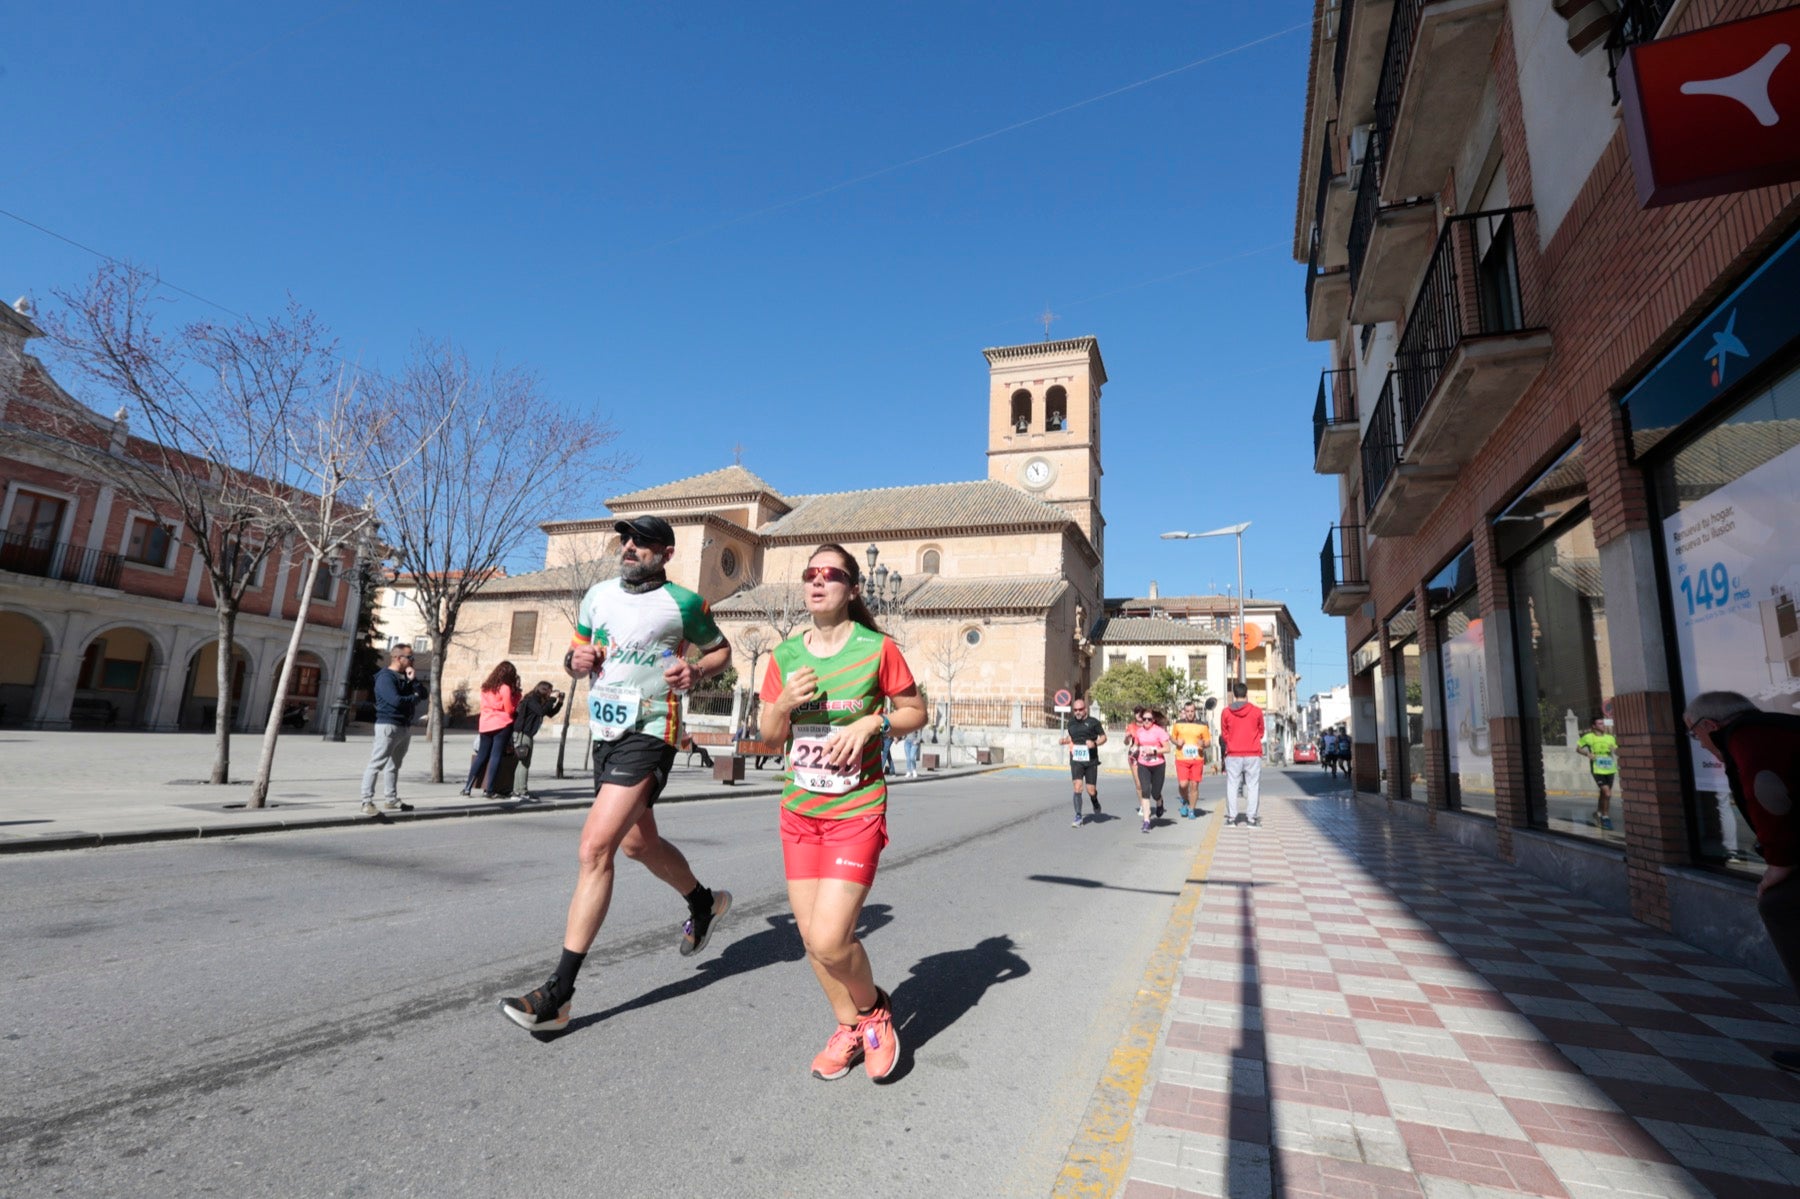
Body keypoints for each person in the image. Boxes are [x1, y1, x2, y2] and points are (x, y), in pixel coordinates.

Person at [499, 514, 734, 1033]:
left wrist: (697, 670)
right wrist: (574, 660)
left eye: (644, 542)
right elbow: (575, 652)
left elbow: (720, 650)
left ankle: (558, 995)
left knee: (595, 849)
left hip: (652, 730)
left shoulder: (686, 604)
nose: (630, 547)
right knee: (635, 844)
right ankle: (703, 902)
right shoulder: (598, 595)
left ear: (666, 553)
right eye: (627, 539)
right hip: (606, 734)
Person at [760, 544, 927, 1082]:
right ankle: (849, 1026)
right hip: (799, 812)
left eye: (831, 574)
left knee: (832, 938)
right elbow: (768, 740)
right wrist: (783, 705)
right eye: (810, 574)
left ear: (852, 588)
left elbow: (915, 712)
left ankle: (875, 1010)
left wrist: (871, 724)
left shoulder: (877, 649)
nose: (817, 581)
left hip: (856, 810)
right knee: (811, 940)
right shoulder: (785, 657)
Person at [1684, 691, 1800, 1072]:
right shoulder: (1774, 728)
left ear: (1710, 726)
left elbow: (1767, 792)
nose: (1699, 743)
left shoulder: (1748, 739)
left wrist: (1779, 864)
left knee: (1779, 904)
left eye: (1694, 734)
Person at [360, 643, 426, 815]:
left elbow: (424, 694)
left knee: (394, 765)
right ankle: (366, 801)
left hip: (404, 726)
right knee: (377, 763)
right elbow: (395, 701)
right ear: (398, 658)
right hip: (388, 725)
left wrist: (414, 681)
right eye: (410, 657)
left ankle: (391, 799)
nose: (413, 660)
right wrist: (415, 697)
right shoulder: (385, 677)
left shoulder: (406, 676)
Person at [462, 661, 521, 798]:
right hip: (501, 724)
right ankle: (490, 789)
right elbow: (509, 709)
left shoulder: (486, 687)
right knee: (495, 756)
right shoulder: (505, 688)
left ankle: (467, 787)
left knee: (481, 756)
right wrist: (517, 696)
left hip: (485, 724)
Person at [1220, 681, 1266, 827]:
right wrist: (1252, 741)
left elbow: (1224, 733)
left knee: (1232, 785)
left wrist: (1232, 742)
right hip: (1253, 753)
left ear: (1234, 695)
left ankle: (1232, 818)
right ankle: (1251, 819)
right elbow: (1261, 731)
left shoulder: (1226, 712)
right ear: (1246, 694)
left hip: (1233, 753)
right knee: (1253, 786)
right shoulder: (1257, 711)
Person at [511, 681, 564, 803]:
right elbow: (541, 711)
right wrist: (551, 699)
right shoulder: (532, 700)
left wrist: (559, 703)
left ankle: (518, 790)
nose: (551, 694)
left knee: (523, 763)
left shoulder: (535, 700)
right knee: (524, 763)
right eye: (550, 691)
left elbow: (548, 713)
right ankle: (520, 791)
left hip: (526, 734)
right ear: (545, 691)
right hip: (523, 734)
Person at [1061, 697, 1107, 826]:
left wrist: (1095, 743)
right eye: (1075, 710)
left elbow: (1104, 737)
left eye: (1080, 709)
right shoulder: (1070, 723)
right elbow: (1071, 736)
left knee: (1091, 790)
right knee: (1077, 787)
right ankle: (1078, 816)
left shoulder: (1094, 723)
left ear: (1085, 709)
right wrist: (1065, 740)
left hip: (1091, 760)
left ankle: (1095, 801)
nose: (1078, 712)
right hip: (1076, 759)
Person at [1128, 708, 1171, 832]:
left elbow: (1167, 748)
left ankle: (1159, 800)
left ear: (1153, 720)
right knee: (1145, 790)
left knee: (1155, 792)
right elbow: (1136, 744)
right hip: (1143, 764)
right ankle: (1146, 821)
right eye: (1144, 719)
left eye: (1149, 719)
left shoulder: (1159, 731)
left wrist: (1155, 751)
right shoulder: (1139, 732)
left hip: (1158, 764)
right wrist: (1134, 749)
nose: (1146, 721)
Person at [1575, 715, 1619, 832]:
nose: (1603, 725)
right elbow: (1578, 748)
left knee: (1604, 793)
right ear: (1593, 726)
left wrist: (1614, 750)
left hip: (1610, 768)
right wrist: (1587, 754)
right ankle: (1605, 817)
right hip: (1597, 768)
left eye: (1603, 723)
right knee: (1607, 793)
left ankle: (1598, 813)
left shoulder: (1610, 738)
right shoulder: (1588, 737)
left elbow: (1617, 750)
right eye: (1600, 724)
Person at [1170, 701, 1210, 819]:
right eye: (1187, 711)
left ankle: (1191, 810)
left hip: (1197, 758)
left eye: (1192, 711)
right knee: (1183, 784)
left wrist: (1203, 744)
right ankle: (1185, 800)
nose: (1190, 714)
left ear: (1195, 711)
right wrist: (1177, 742)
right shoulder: (1178, 724)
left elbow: (1208, 742)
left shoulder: (1202, 725)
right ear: (1184, 712)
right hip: (1182, 758)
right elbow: (1172, 737)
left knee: (1194, 785)